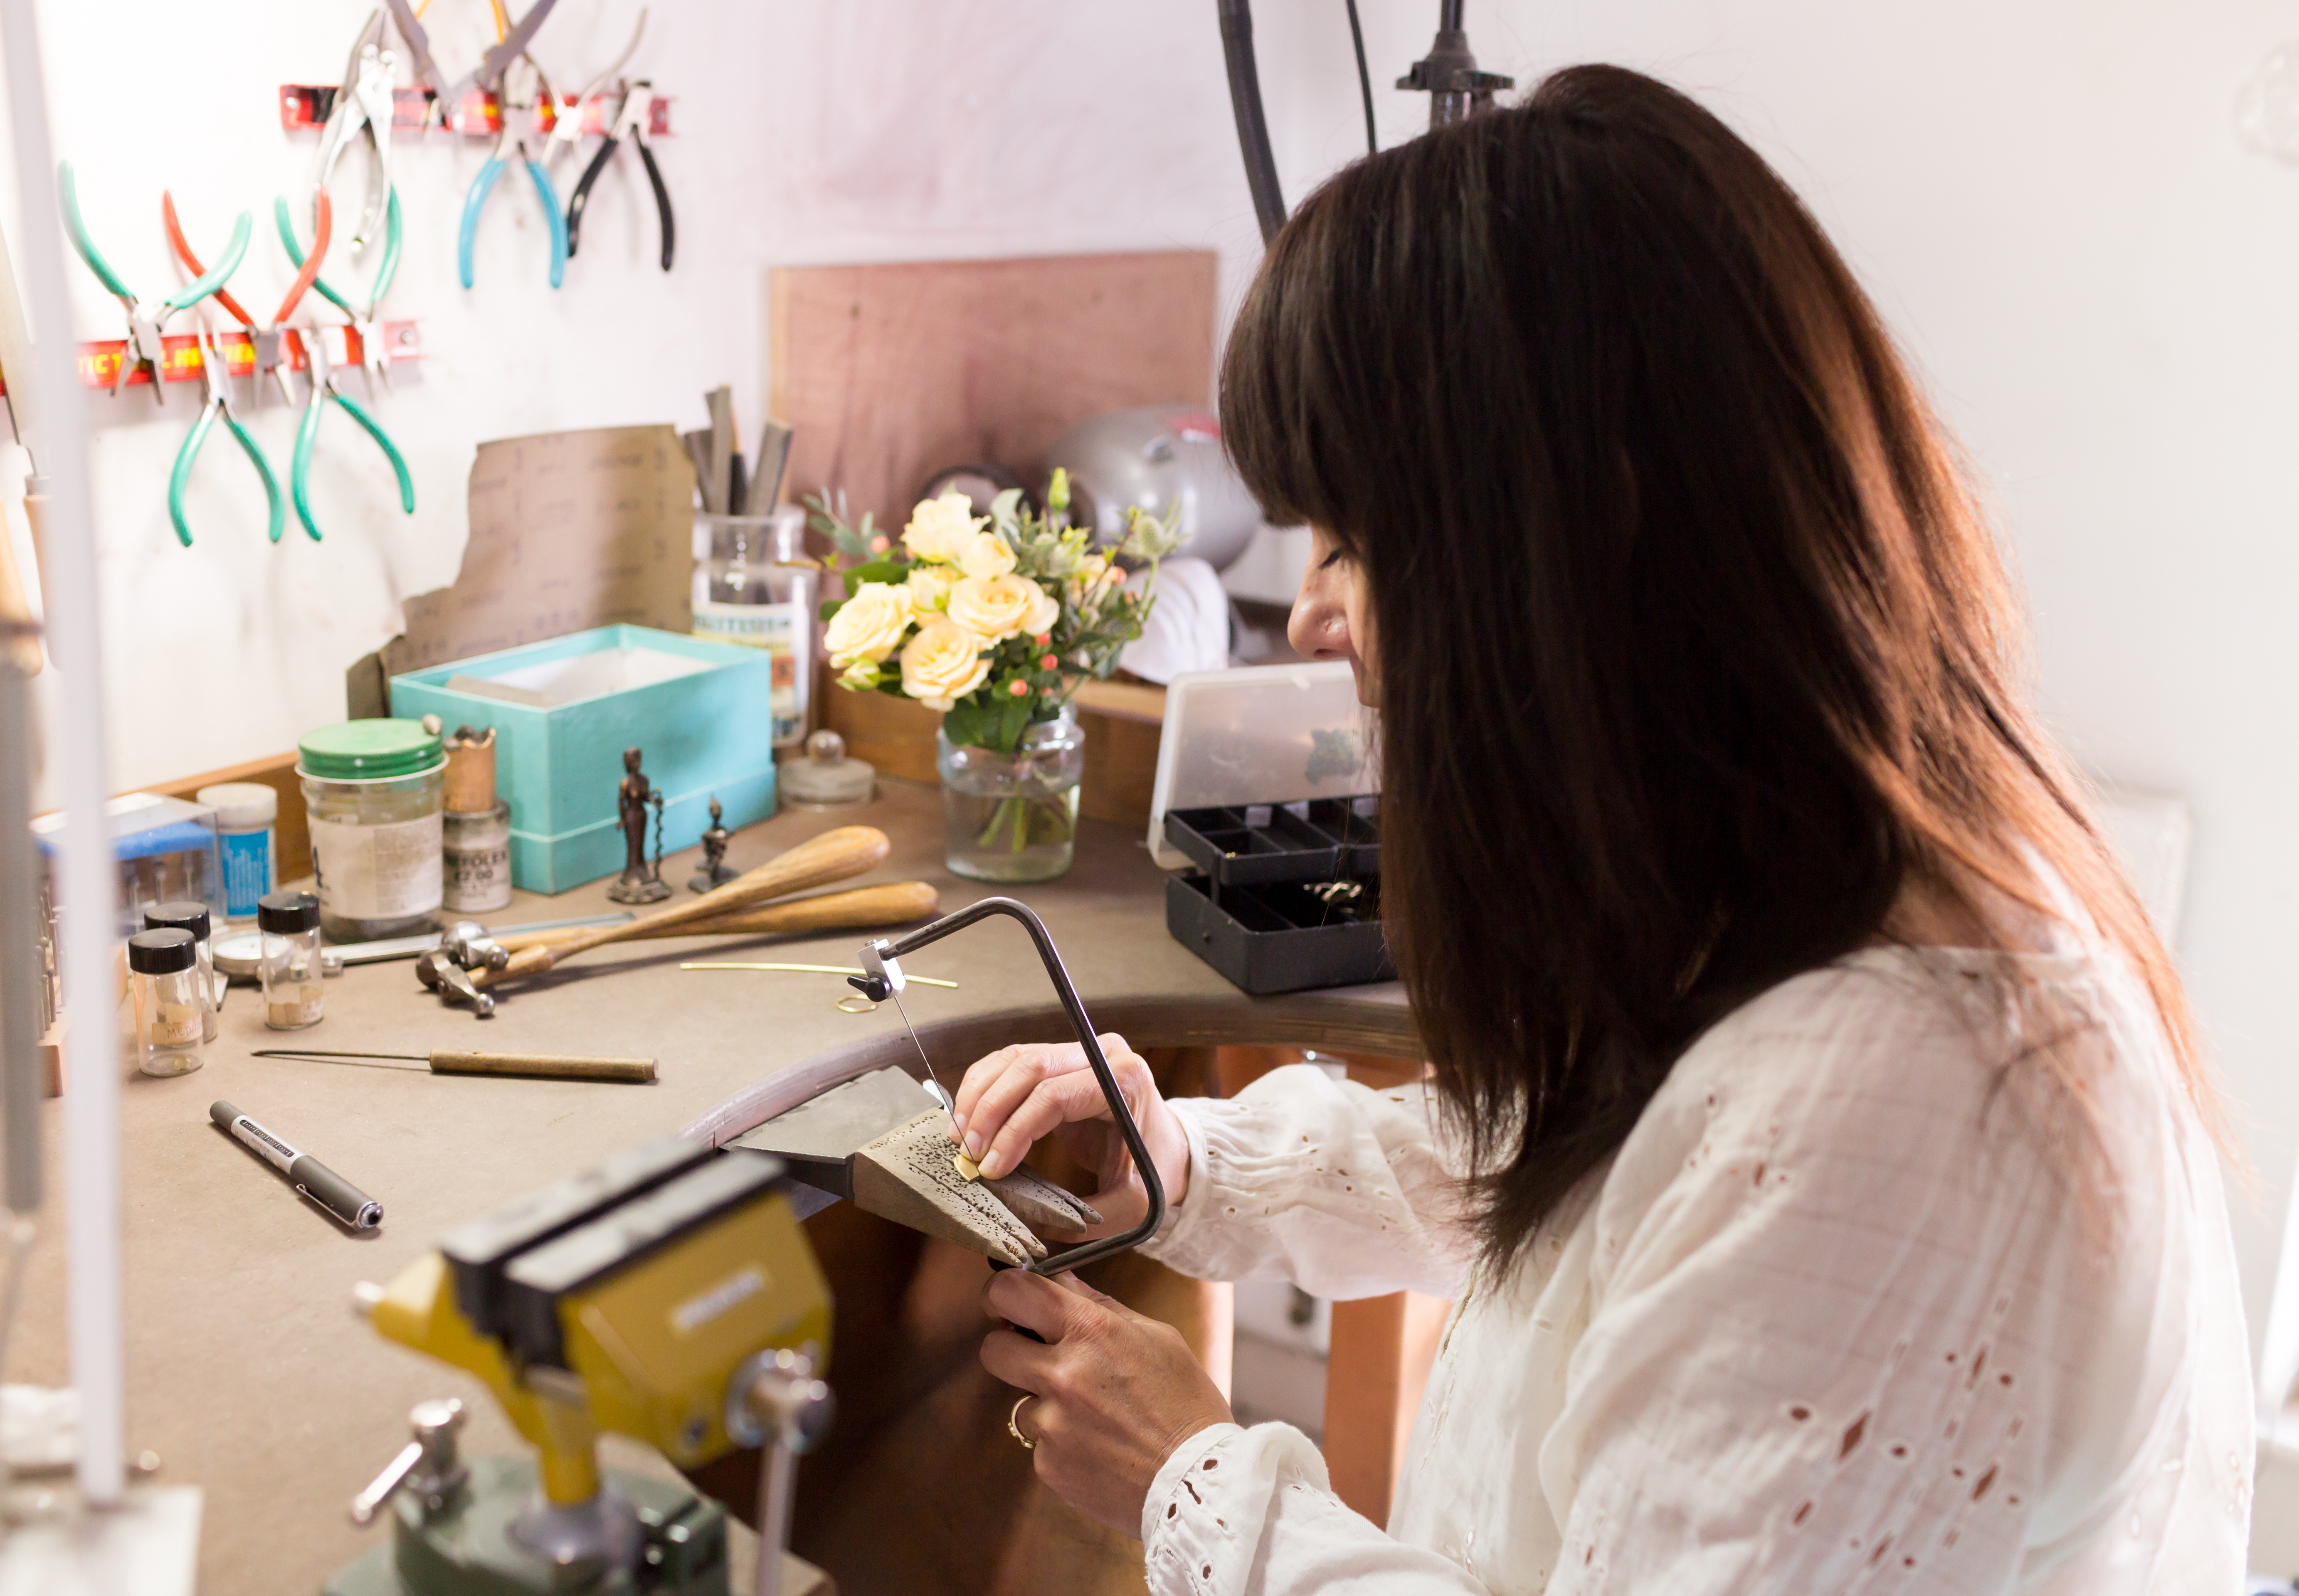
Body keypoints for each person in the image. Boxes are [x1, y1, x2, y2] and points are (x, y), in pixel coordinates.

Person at [948, 64, 2252, 1595]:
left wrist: (1202, 1487)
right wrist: (1190, 1165)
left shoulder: (1897, 1105)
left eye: (1360, 542)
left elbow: (1719, 1182)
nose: (1310, 609)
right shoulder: (1793, 887)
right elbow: (1593, 1175)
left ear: (1576, 546)